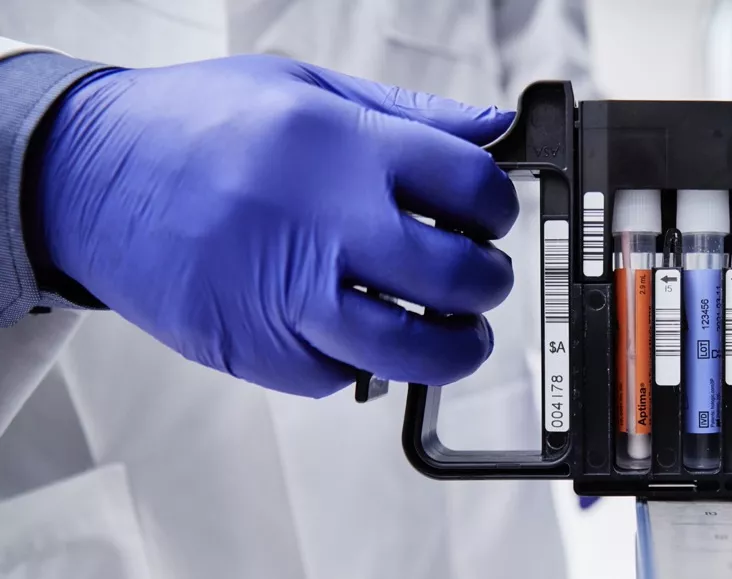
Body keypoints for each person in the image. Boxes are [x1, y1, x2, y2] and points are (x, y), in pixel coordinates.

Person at [0, 2, 596, 578]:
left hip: (462, 478)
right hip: (103, 454)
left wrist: (607, 324)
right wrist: (48, 154)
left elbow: (547, 68)